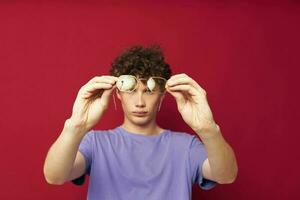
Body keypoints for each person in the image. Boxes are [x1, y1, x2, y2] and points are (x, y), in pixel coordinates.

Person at [43, 44, 238, 200]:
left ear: (161, 96)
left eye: (149, 91)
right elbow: (55, 176)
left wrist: (208, 129)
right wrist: (76, 126)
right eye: (131, 90)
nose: (139, 102)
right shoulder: (95, 143)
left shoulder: (185, 147)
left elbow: (226, 175)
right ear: (118, 93)